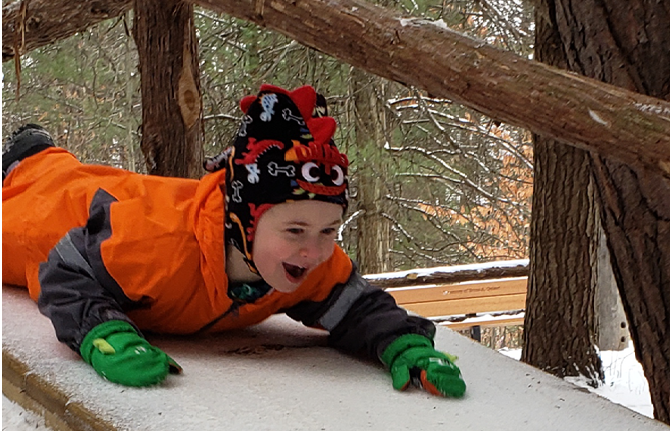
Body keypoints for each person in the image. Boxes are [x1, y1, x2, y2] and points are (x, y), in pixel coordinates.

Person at [2, 84, 465, 397]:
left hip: (138, 195)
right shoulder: (159, 245)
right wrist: (100, 330)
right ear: (245, 224)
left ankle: (39, 154)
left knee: (97, 179)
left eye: (330, 231)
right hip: (59, 210)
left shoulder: (305, 262)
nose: (315, 250)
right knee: (37, 202)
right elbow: (64, 268)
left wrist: (403, 342)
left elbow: (357, 306)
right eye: (296, 231)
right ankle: (28, 157)